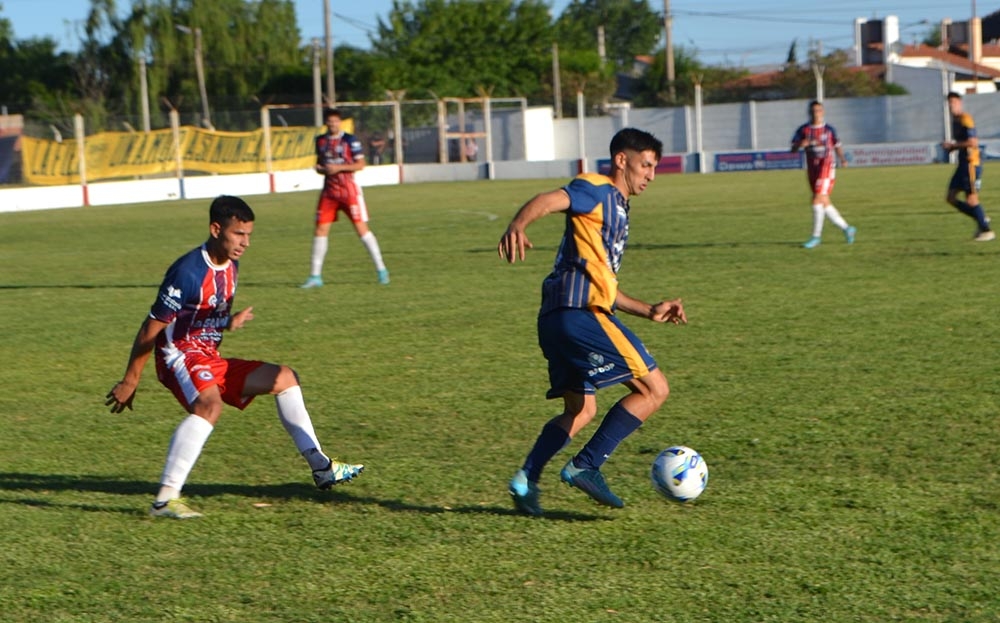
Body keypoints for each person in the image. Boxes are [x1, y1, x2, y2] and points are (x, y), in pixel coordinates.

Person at [106, 195, 364, 519]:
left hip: (208, 356)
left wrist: (227, 322)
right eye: (238, 234)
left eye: (249, 235)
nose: (245, 243)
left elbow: (199, 314)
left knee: (285, 378)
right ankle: (164, 500)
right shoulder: (187, 271)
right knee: (209, 407)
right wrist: (130, 380)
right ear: (216, 229)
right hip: (180, 355)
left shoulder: (232, 266)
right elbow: (150, 328)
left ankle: (321, 466)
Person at [497, 128, 687, 517]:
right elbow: (550, 200)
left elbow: (605, 286)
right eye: (646, 165)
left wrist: (649, 310)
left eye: (655, 168)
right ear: (622, 160)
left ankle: (525, 480)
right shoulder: (596, 189)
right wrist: (519, 224)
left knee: (580, 410)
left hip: (556, 317)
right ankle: (587, 464)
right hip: (581, 314)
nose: (651, 175)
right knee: (655, 389)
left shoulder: (617, 209)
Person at [301, 108, 390, 288]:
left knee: (361, 229)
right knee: (320, 230)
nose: (333, 124)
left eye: (335, 121)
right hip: (329, 193)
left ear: (340, 122)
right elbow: (321, 164)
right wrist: (321, 169)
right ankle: (315, 276)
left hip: (349, 192)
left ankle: (381, 270)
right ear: (326, 123)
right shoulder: (321, 141)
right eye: (330, 121)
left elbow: (360, 164)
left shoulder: (350, 140)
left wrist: (338, 168)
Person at [790, 100, 856, 249]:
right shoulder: (803, 130)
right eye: (813, 111)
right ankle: (847, 228)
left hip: (826, 166)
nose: (816, 113)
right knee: (824, 201)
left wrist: (842, 159)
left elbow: (837, 145)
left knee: (816, 199)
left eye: (819, 110)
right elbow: (793, 149)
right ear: (809, 112)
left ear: (823, 112)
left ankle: (816, 237)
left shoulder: (829, 129)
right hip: (812, 168)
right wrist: (800, 144)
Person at [942, 91, 995, 242]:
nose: (951, 106)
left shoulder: (966, 119)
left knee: (972, 199)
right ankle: (981, 218)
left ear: (960, 103)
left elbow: (973, 142)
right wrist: (953, 148)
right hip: (962, 164)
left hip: (971, 163)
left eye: (953, 102)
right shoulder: (955, 120)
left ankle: (987, 231)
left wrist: (954, 145)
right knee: (950, 198)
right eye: (949, 103)